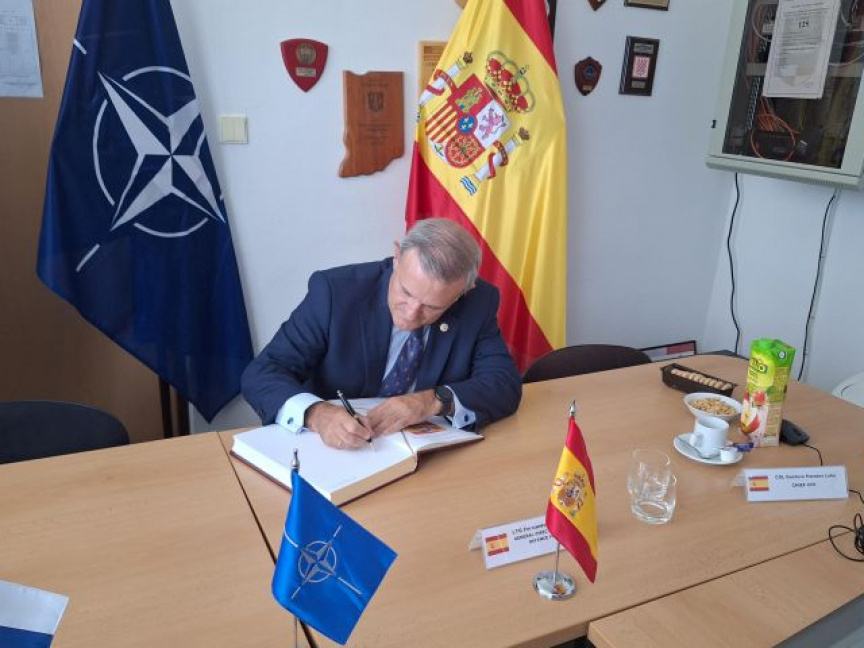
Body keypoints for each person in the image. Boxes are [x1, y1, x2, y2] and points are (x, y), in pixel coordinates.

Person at [242, 218, 522, 450]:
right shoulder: (335, 293)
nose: (411, 314)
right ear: (397, 257)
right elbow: (262, 373)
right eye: (406, 292)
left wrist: (431, 401)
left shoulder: (478, 302)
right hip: (332, 449)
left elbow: (504, 384)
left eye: (432, 307)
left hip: (423, 453)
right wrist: (317, 414)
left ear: (462, 292)